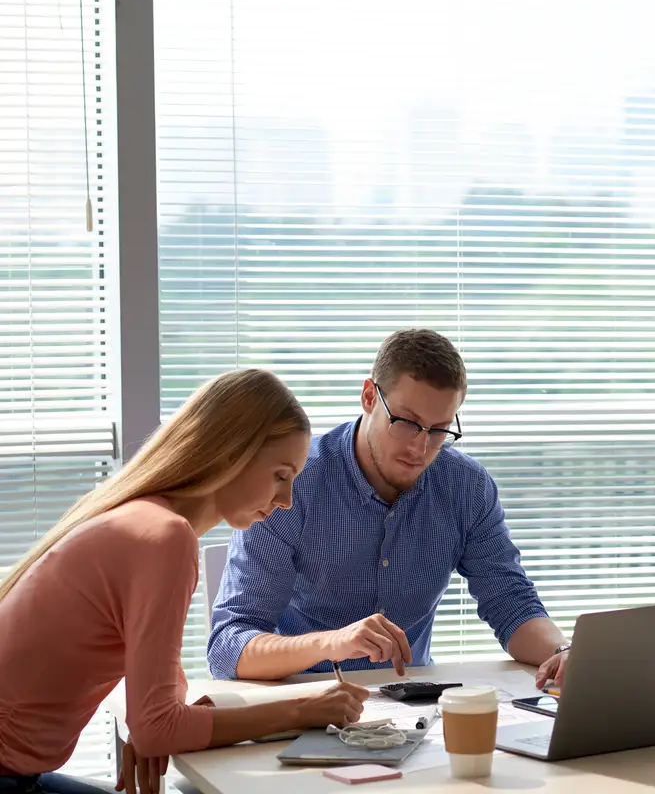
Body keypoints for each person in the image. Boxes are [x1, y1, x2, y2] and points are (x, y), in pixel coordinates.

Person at [0, 370, 369, 794]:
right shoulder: (164, 538)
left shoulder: (145, 518)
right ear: (231, 454)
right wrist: (302, 711)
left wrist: (164, 723)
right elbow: (158, 728)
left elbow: (163, 696)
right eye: (280, 476)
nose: (286, 501)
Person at [207, 329, 572, 690]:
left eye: (439, 430)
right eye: (407, 423)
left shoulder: (466, 487)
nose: (420, 448)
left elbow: (510, 603)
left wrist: (564, 653)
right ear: (369, 397)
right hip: (308, 698)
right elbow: (228, 646)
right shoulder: (293, 484)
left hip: (413, 701)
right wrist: (332, 643)